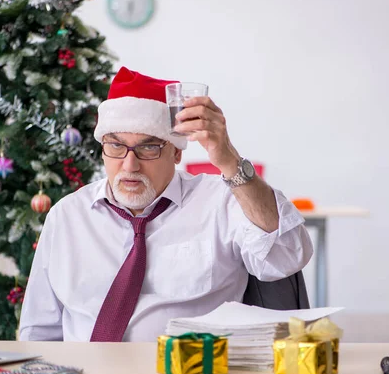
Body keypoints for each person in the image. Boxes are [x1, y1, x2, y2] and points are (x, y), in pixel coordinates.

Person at [18, 67, 313, 342]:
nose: (129, 165)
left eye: (148, 147)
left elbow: (285, 256)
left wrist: (230, 161)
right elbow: (39, 331)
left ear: (175, 152)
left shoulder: (220, 202)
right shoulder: (68, 216)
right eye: (116, 145)